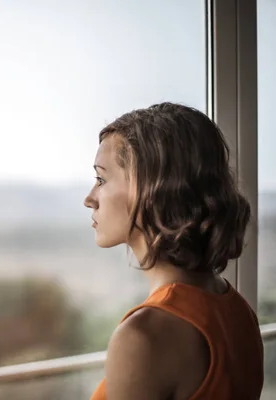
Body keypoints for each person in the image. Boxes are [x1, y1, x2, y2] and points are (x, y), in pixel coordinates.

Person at [85, 102, 264, 400]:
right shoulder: (237, 309)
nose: (90, 199)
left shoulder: (144, 336)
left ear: (152, 187)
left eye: (101, 179)